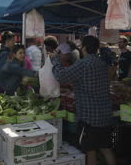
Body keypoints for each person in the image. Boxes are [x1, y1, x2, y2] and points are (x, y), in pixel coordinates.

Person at [51, 36, 115, 165]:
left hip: (89, 117)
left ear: (84, 48)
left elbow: (60, 76)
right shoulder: (102, 63)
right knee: (105, 148)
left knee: (90, 150)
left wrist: (56, 60)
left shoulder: (83, 63)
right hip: (105, 114)